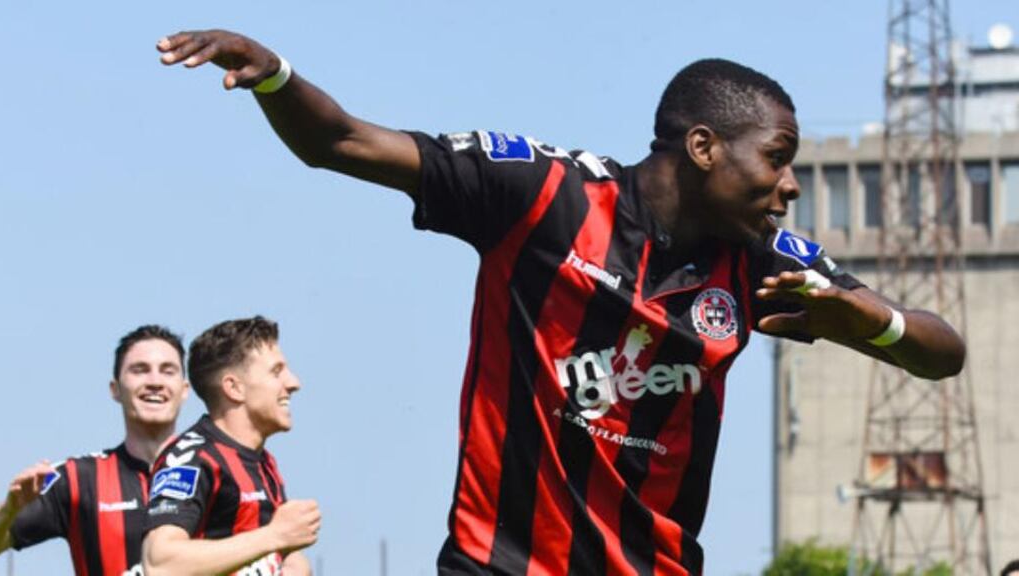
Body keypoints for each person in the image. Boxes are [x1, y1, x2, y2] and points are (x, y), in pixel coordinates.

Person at [155, 30, 966, 575]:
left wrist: (876, 322)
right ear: (704, 147)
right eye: (778, 158)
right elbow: (342, 141)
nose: (790, 185)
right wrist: (274, 75)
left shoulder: (757, 262)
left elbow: (943, 353)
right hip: (497, 566)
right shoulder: (543, 196)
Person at [0, 325, 189, 575]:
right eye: (139, 370)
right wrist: (8, 512)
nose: (154, 381)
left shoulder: (220, 470)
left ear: (184, 390)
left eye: (167, 371)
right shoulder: (76, 478)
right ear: (115, 389)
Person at [141, 315, 319, 576]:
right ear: (234, 388)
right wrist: (275, 536)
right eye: (276, 371)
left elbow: (286, 554)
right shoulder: (192, 458)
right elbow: (160, 564)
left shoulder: (263, 461)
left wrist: (294, 564)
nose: (293, 383)